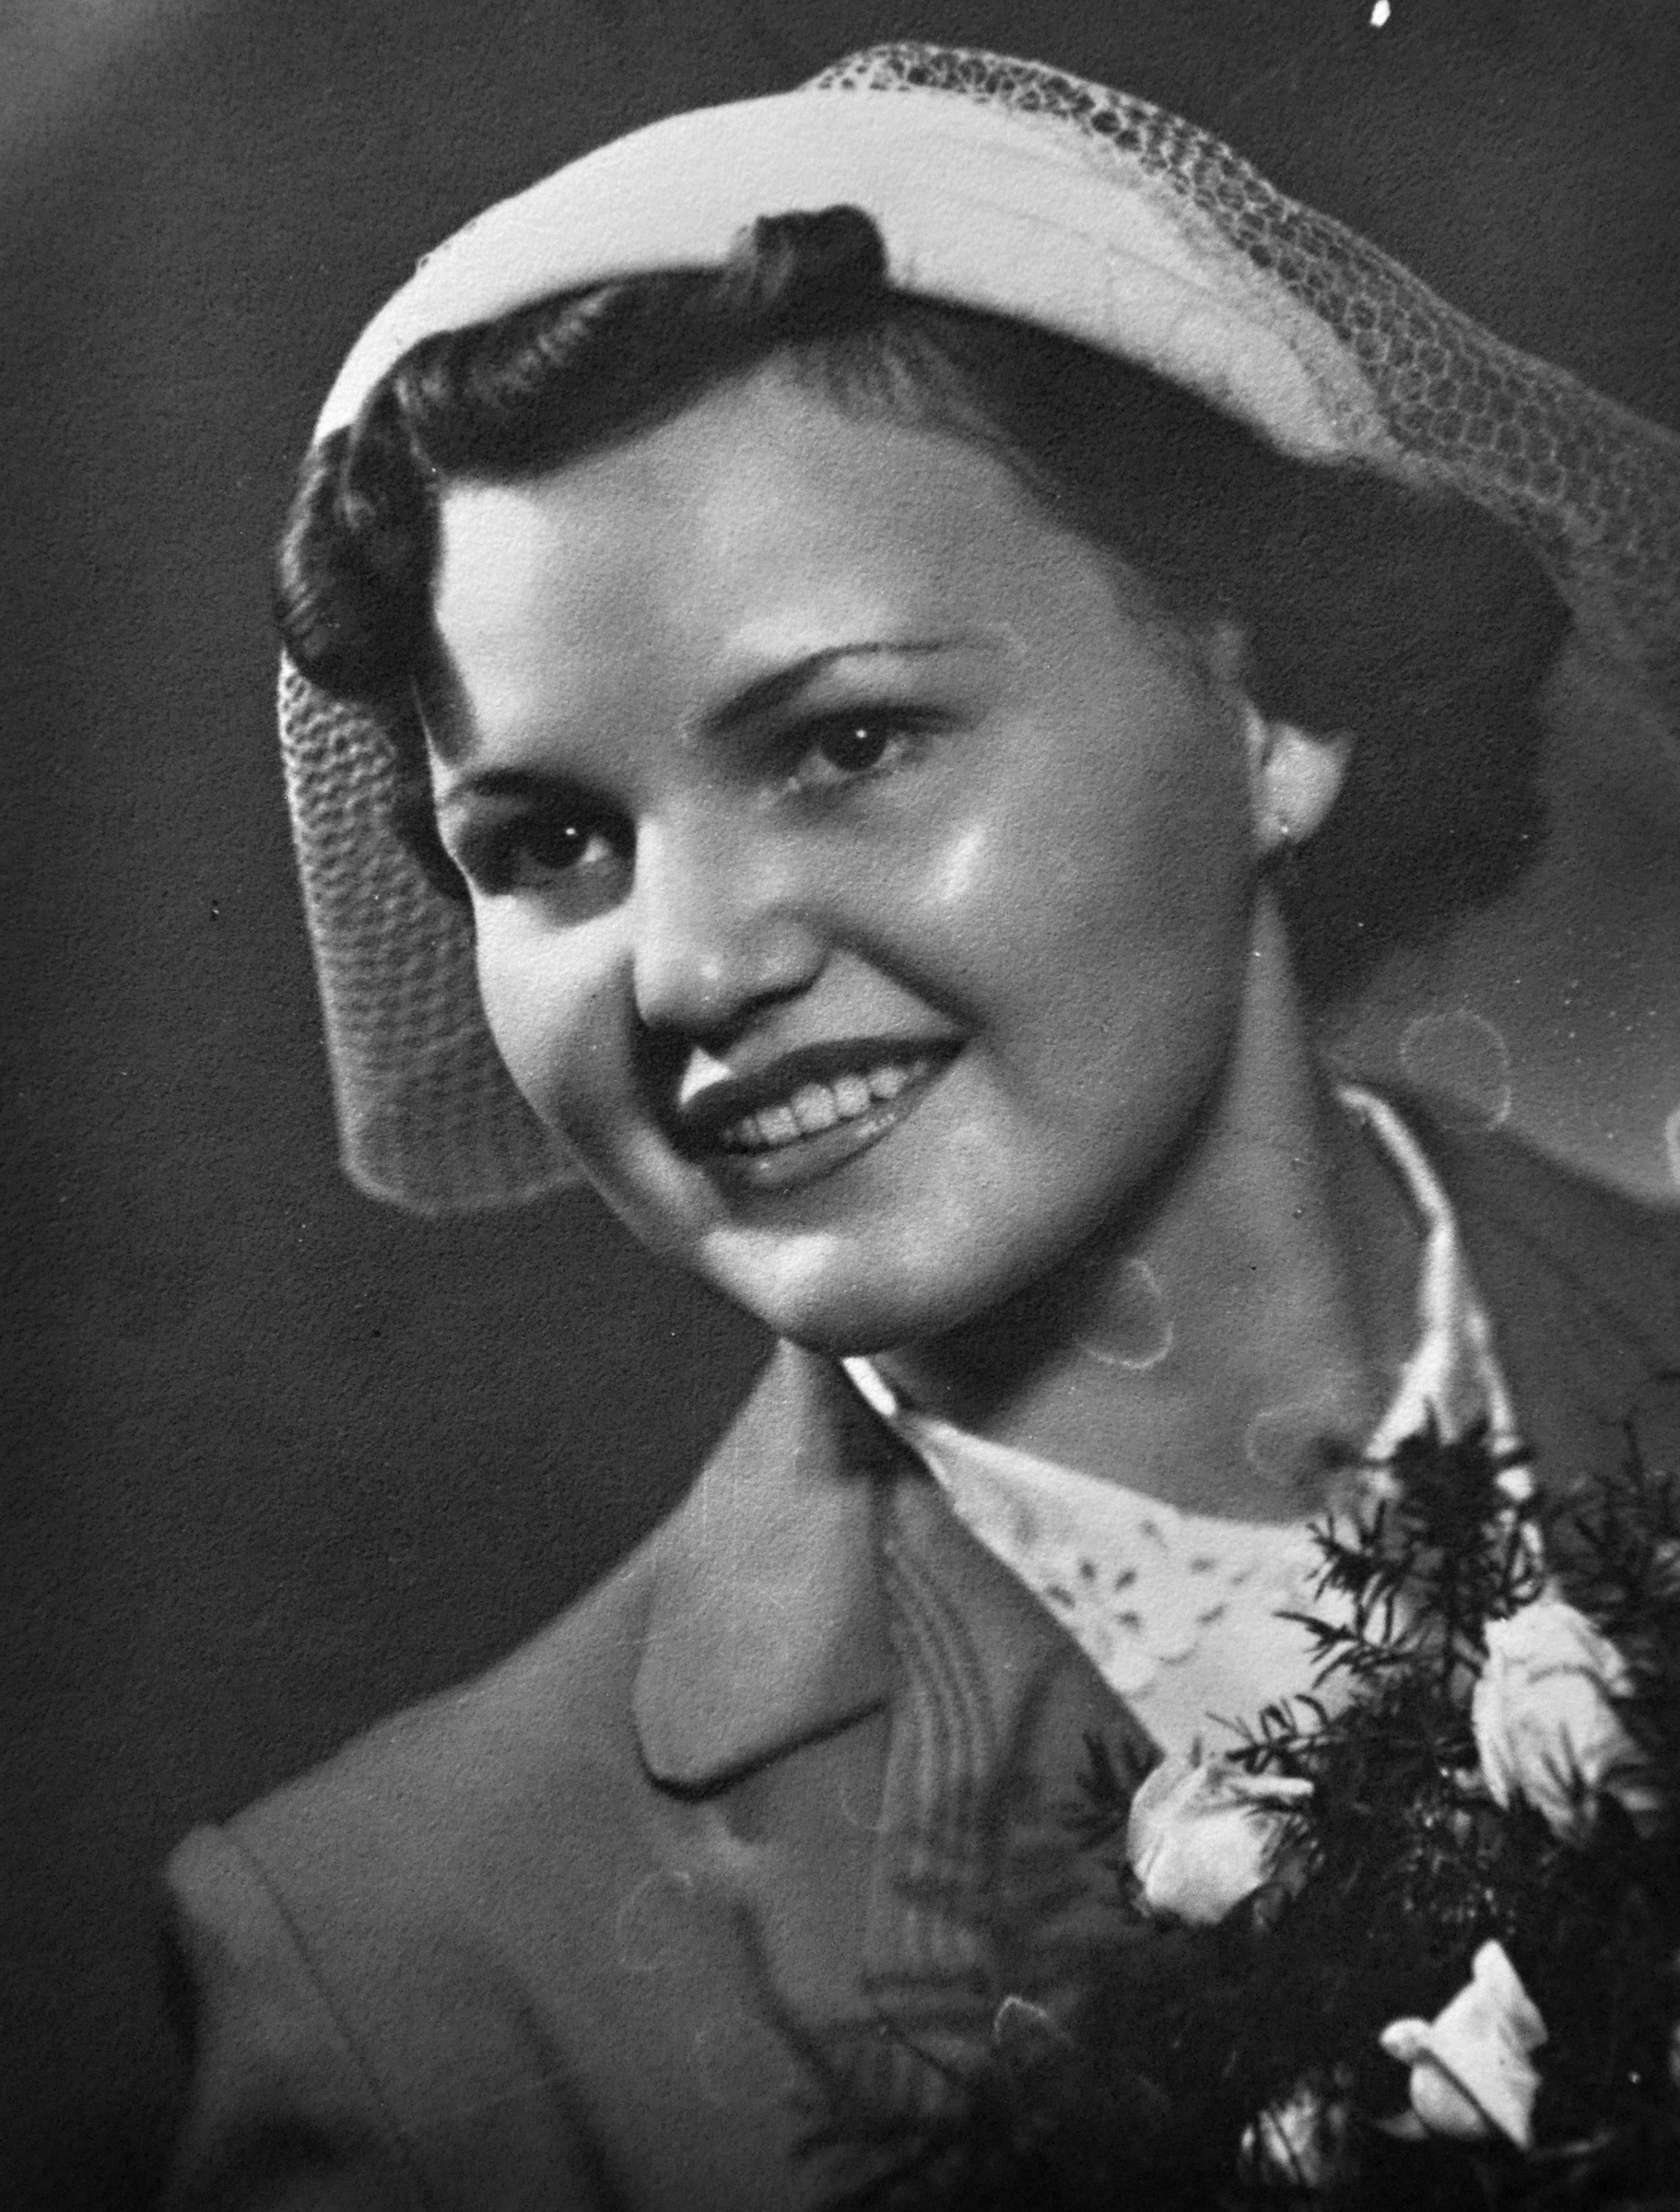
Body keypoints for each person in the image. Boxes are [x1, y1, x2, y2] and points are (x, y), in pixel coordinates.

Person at [161, 43, 1680, 2211]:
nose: (690, 969)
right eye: (550, 843)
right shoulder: (423, 1986)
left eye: (848, 743)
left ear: (1279, 710)